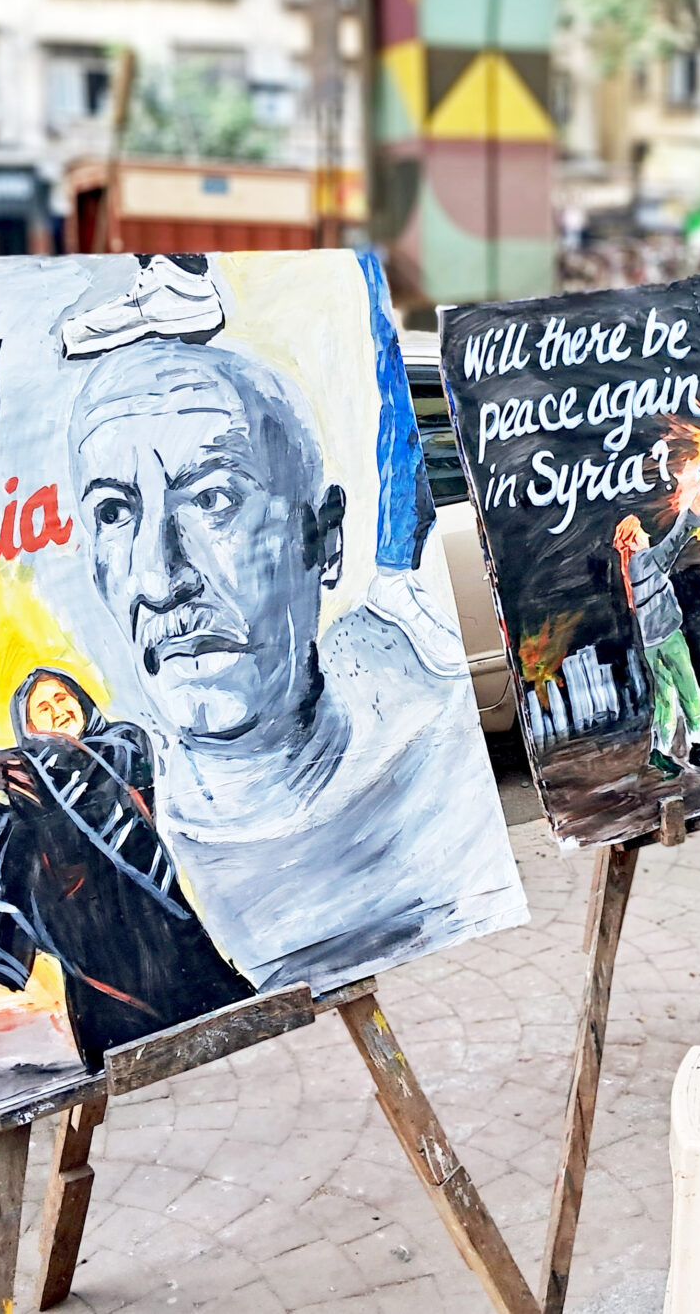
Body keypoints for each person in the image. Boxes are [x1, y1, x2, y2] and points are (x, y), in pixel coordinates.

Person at [65, 335, 518, 992]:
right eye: (114, 511)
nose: (160, 577)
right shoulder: (108, 851)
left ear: (324, 537)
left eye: (213, 499)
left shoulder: (441, 780)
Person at [0, 668, 254, 1058]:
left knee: (232, 1045)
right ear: (28, 729)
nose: (57, 710)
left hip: (170, 952)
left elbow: (65, 766)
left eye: (62, 698)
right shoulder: (27, 812)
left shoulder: (121, 747)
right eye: (43, 708)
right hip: (97, 988)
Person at [611, 512, 700, 779]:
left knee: (665, 698)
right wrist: (689, 518)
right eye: (641, 531)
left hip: (652, 645)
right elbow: (673, 542)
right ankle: (697, 746)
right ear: (633, 539)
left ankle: (660, 751)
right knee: (690, 692)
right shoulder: (647, 560)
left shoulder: (631, 568)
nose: (647, 535)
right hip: (669, 638)